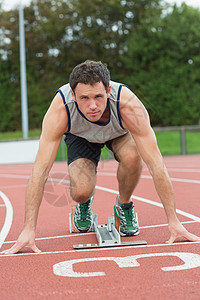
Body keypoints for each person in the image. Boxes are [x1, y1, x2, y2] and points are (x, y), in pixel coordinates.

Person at [1, 60, 199, 254]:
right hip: (80, 137)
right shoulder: (60, 109)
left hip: (118, 134)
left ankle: (124, 205)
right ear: (73, 95)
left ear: (109, 91)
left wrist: (174, 221)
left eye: (98, 96)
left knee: (133, 157)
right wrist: (28, 230)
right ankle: (83, 205)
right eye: (84, 98)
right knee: (80, 192)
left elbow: (156, 164)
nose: (93, 105)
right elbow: (40, 171)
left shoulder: (128, 105)